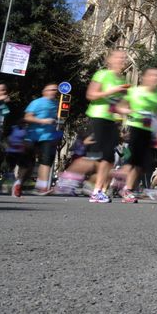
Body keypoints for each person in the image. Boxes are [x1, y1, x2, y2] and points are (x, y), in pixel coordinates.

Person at [65, 49, 129, 203]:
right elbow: (91, 95)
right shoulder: (102, 74)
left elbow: (118, 105)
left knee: (108, 159)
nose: (123, 60)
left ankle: (97, 191)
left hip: (112, 120)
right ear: (110, 61)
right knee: (97, 158)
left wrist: (128, 110)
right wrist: (112, 91)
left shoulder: (122, 80)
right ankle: (68, 178)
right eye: (119, 58)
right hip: (97, 117)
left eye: (124, 58)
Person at [121, 67, 157, 203]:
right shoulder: (134, 91)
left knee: (141, 164)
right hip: (135, 128)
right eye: (154, 75)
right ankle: (124, 187)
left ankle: (128, 189)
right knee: (132, 162)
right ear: (145, 78)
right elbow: (120, 107)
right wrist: (133, 112)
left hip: (149, 131)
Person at [23, 83, 61, 195]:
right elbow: (27, 117)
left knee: (46, 160)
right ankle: (20, 183)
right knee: (28, 163)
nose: (54, 92)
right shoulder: (37, 102)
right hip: (33, 136)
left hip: (48, 137)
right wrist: (43, 121)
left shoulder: (55, 103)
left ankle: (42, 187)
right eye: (51, 89)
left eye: (55, 90)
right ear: (44, 91)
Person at [4, 122, 31, 196]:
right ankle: (12, 184)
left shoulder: (28, 129)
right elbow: (5, 139)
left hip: (22, 152)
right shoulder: (12, 128)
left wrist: (25, 145)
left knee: (24, 167)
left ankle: (17, 184)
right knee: (10, 169)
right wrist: (7, 145)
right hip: (11, 151)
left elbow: (28, 141)